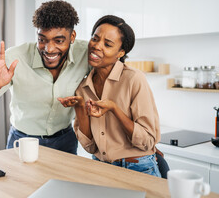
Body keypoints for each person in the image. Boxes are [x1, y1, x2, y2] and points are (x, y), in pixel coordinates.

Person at [58, 15, 162, 177]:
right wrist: (79, 108)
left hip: (137, 169)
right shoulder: (83, 87)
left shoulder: (134, 79)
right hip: (101, 168)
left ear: (120, 52)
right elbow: (90, 147)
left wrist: (114, 108)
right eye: (95, 39)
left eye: (107, 44)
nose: (97, 46)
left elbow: (147, 140)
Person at [0, 0, 90, 154]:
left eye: (58, 41)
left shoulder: (85, 53)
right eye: (42, 40)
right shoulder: (14, 57)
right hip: (23, 140)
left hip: (65, 140)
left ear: (72, 36)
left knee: (65, 180)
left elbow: (111, 71)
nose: (49, 49)